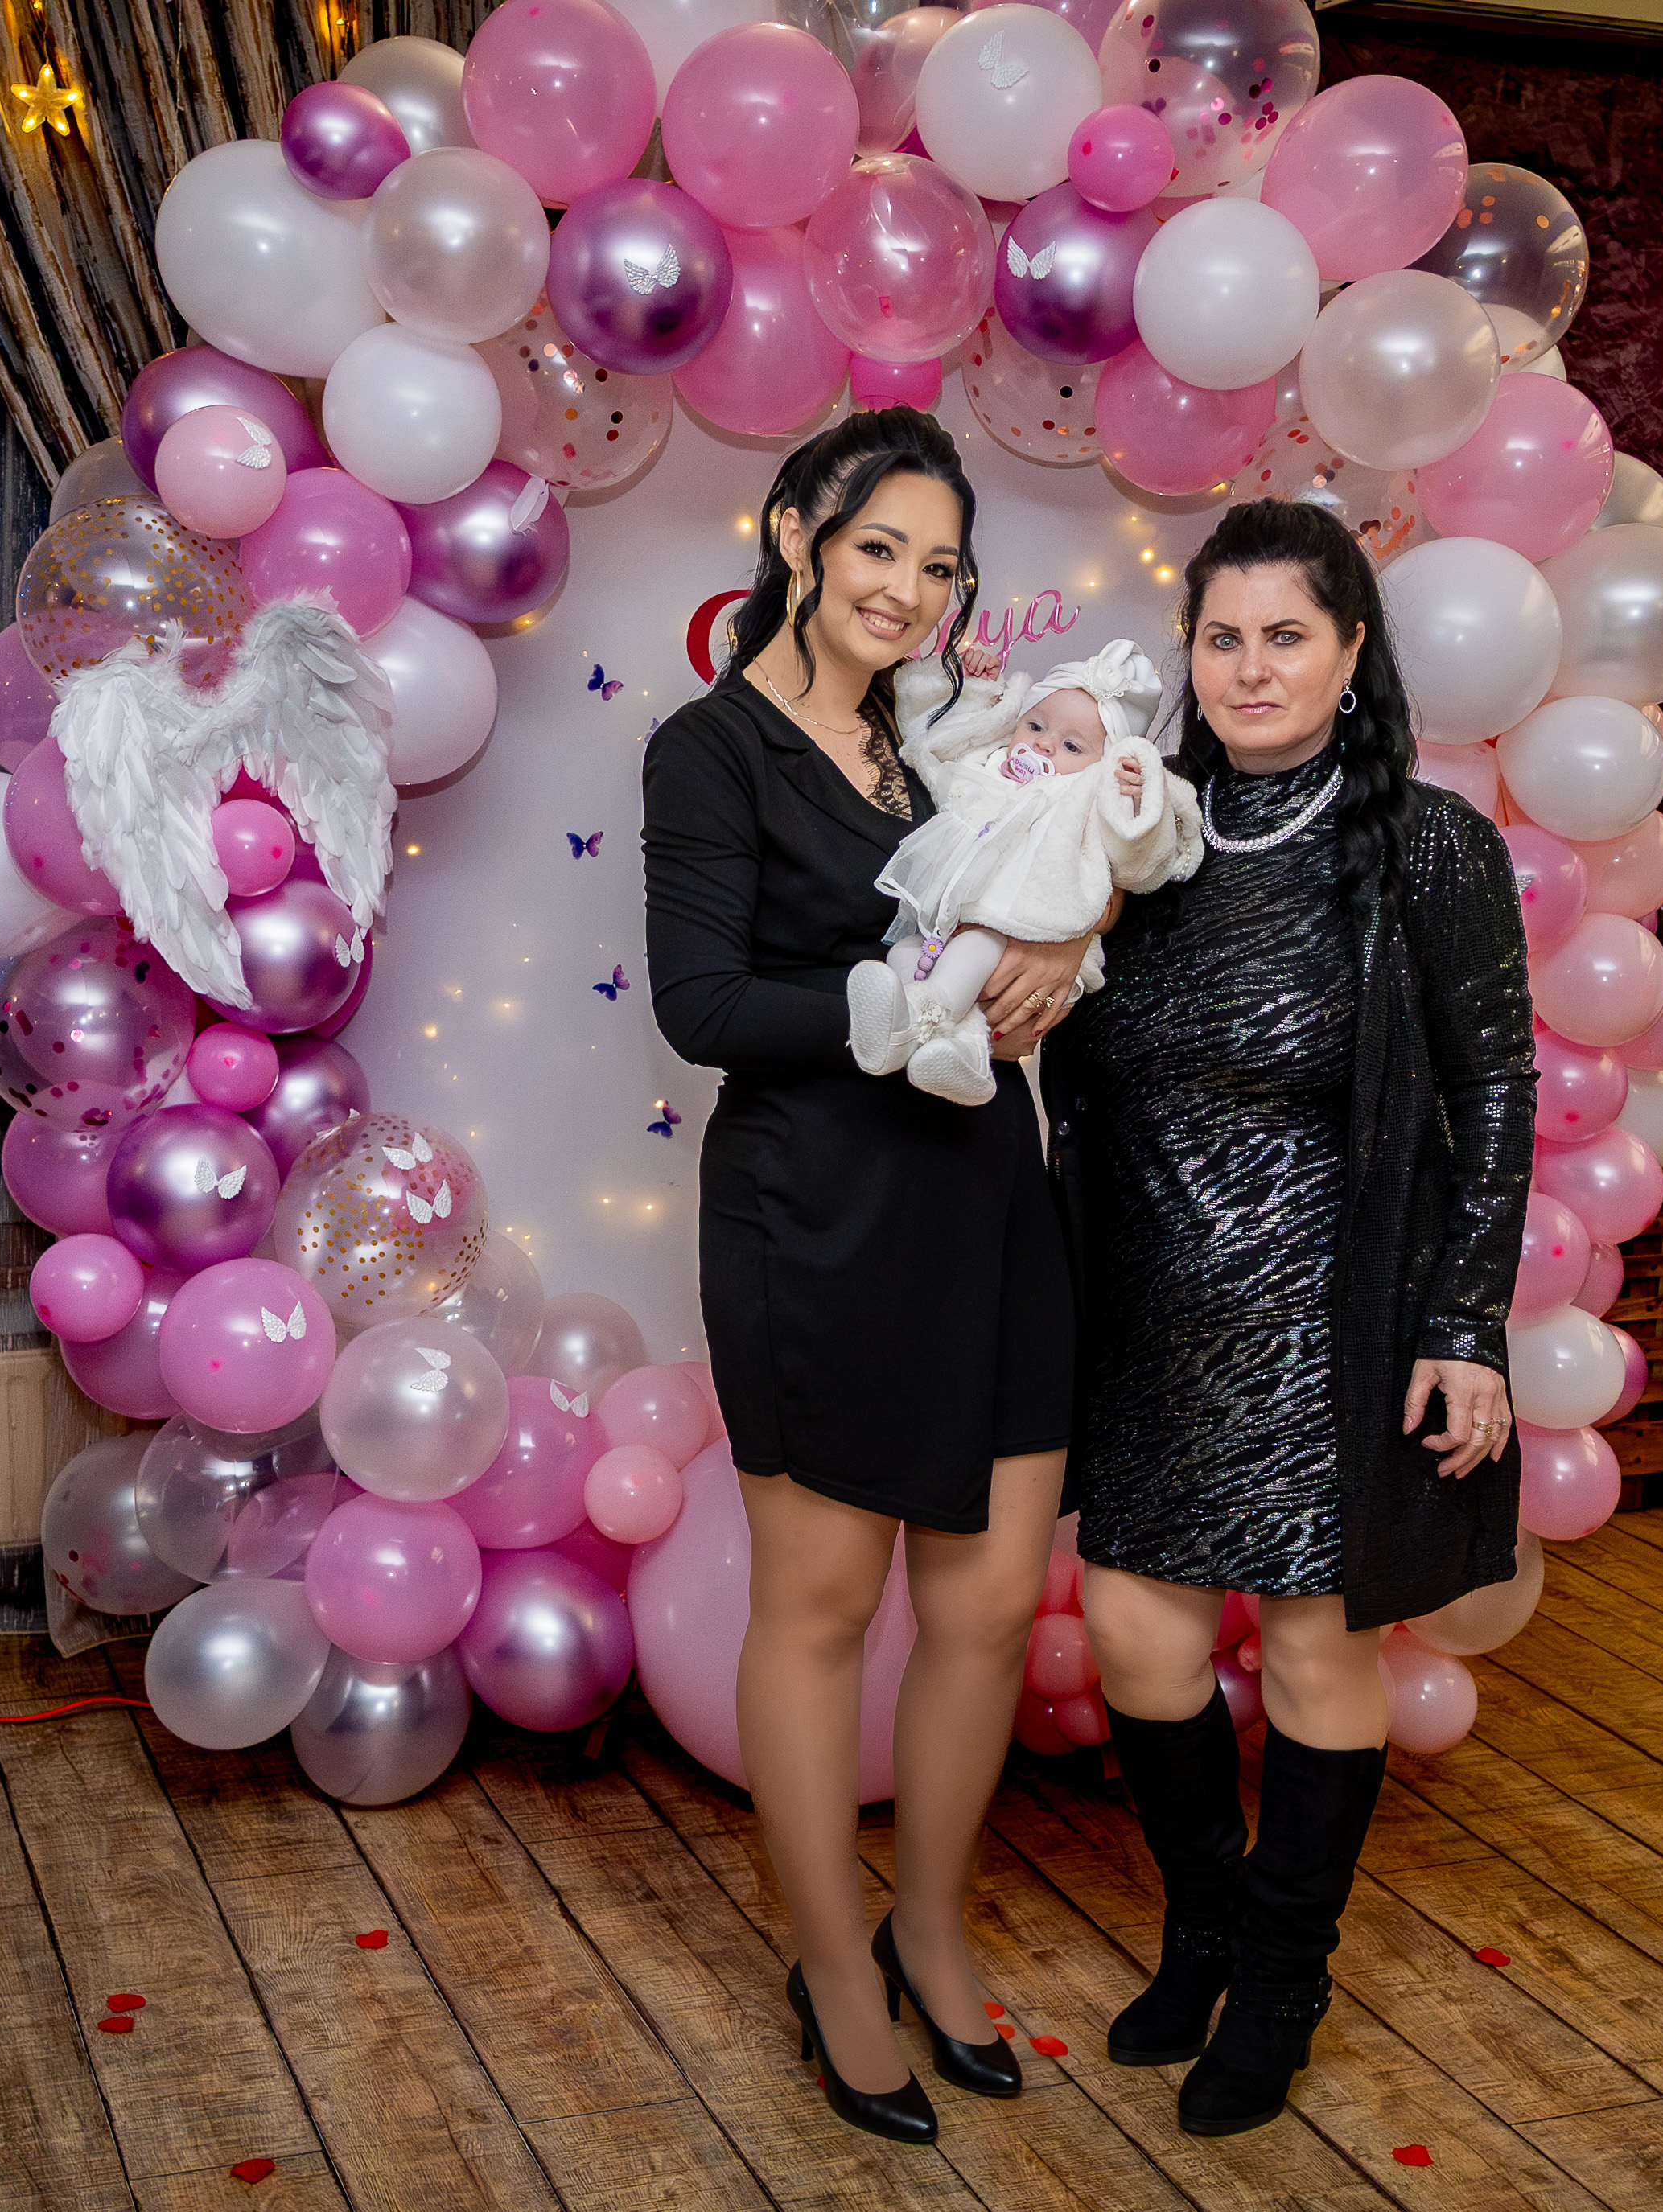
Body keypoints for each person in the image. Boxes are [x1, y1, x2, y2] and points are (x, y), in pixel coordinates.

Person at [1040, 498, 1533, 2139]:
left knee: (1319, 1650)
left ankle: (1282, 1982)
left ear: (1349, 652)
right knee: (1136, 1635)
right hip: (1150, 1312)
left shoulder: (1427, 847)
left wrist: (1465, 1322)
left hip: (1335, 1320)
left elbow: (1494, 1087)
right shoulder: (1134, 826)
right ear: (1188, 653)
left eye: (1286, 636)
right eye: (1222, 637)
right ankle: (1203, 1927)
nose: (1250, 668)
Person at [641, 409, 1093, 2145]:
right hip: (814, 1216)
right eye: (879, 547)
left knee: (986, 1609)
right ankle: (832, 1963)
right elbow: (703, 1007)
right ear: (798, 539)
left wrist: (1064, 937)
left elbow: (1061, 871)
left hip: (991, 1204)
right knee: (822, 1612)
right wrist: (904, 1008)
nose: (907, 589)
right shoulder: (712, 750)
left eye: (940, 563)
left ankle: (931, 1926)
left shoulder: (949, 740)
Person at [847, 638, 1204, 1104]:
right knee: (904, 950)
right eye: (1035, 724)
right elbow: (940, 736)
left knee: (978, 944)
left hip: (1024, 935)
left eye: (1072, 746)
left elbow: (1137, 861)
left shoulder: (1084, 798)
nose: (1045, 743)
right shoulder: (987, 766)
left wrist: (1134, 800)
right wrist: (973, 687)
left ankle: (925, 1016)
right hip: (944, 931)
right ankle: (954, 1049)